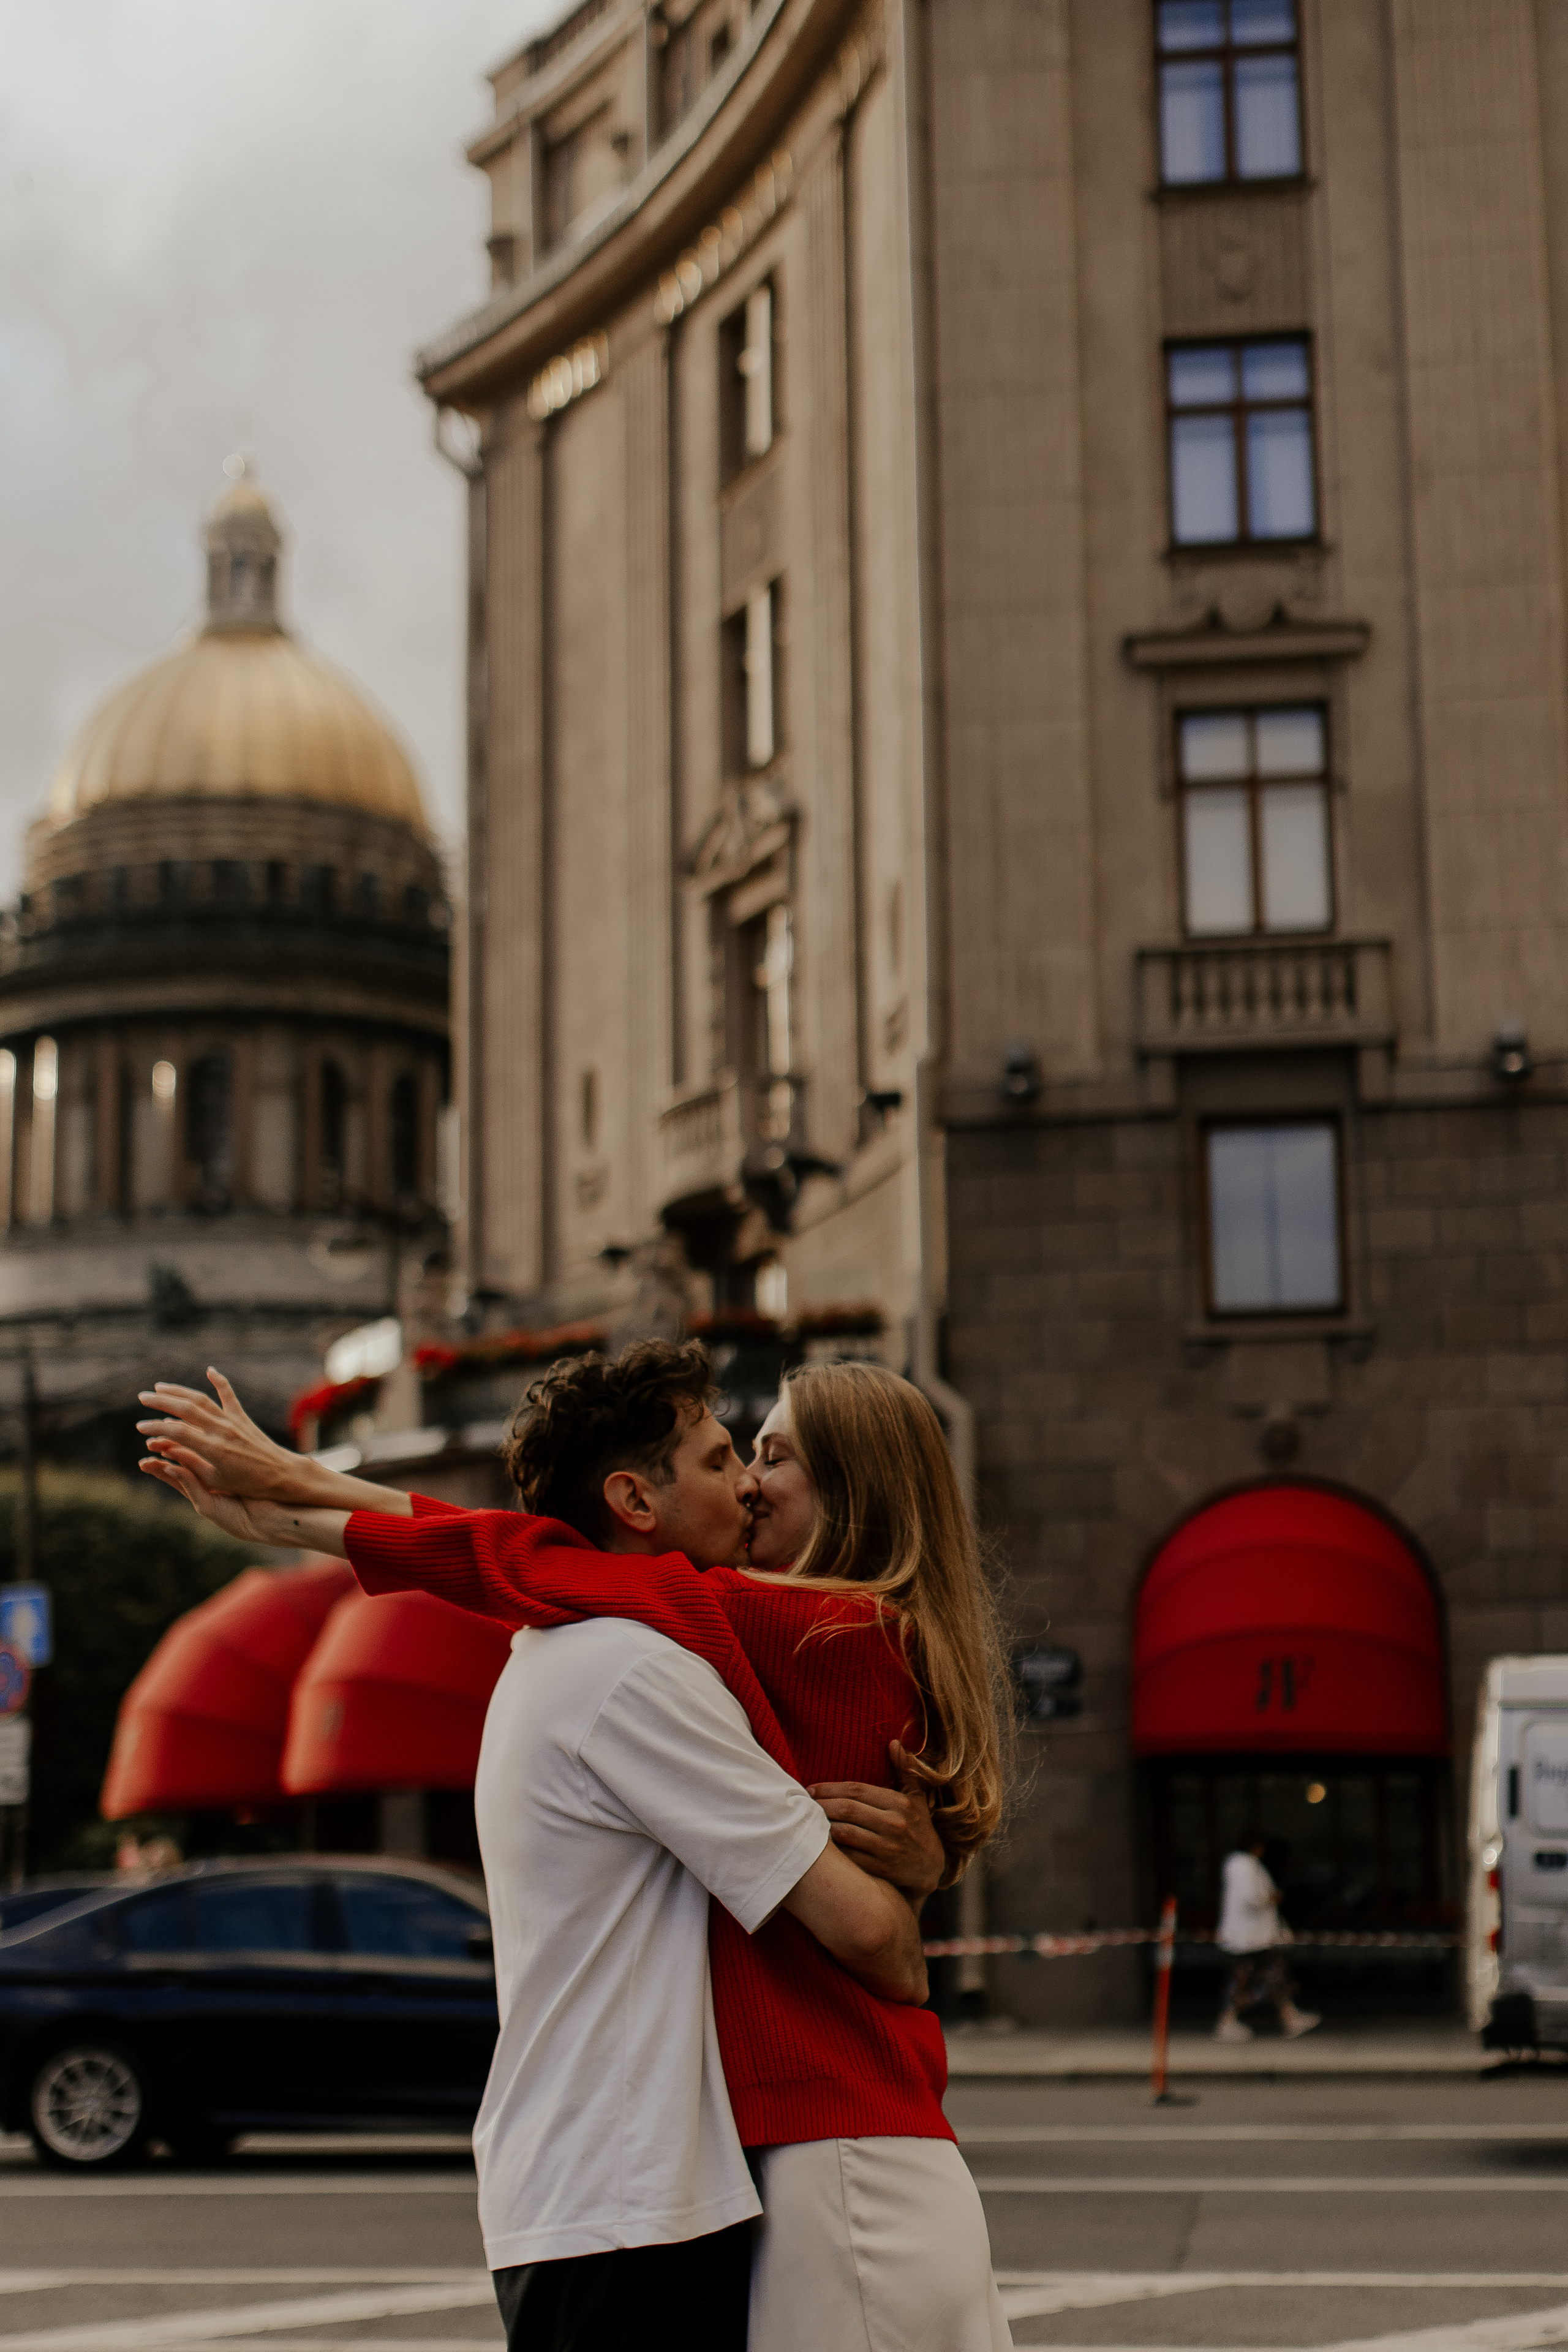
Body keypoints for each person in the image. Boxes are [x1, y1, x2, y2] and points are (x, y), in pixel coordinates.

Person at [140, 1347, 1014, 2352]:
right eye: (737, 1454)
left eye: (770, 1457)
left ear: (853, 1496)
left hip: (829, 2139)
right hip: (782, 2151)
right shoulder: (713, 1651)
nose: (748, 1483)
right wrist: (295, 1501)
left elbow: (521, 1559)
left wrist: (295, 1500)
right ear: (637, 1497)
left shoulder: (807, 1629)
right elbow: (531, 1558)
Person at [1215, 1833, 1320, 2043]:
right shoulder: (1244, 1867)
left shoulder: (1241, 1866)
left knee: (1274, 1975)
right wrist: (1273, 1897)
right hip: (1249, 1939)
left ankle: (1289, 2017)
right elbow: (1252, 1898)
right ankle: (1226, 2023)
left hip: (1255, 1937)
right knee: (1247, 1980)